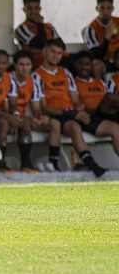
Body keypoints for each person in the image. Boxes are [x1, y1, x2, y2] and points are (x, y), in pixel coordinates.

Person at [32, 38, 106, 177]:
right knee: (65, 124)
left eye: (59, 53)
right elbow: (44, 107)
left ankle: (91, 165)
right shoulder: (37, 75)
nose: (55, 56)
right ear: (44, 52)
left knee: (74, 127)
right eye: (52, 52)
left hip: (69, 115)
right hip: (53, 115)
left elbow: (75, 99)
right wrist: (71, 113)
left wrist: (79, 108)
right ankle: (54, 163)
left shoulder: (65, 73)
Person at [71, 51, 119, 162]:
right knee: (111, 98)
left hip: (105, 113)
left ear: (91, 66)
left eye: (87, 64)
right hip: (91, 115)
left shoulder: (99, 82)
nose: (84, 67)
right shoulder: (74, 82)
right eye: (80, 64)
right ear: (75, 65)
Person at [9, 50, 51, 173]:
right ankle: (25, 163)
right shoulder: (8, 79)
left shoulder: (33, 81)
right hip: (10, 116)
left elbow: (36, 108)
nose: (25, 68)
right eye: (21, 64)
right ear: (15, 65)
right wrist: (22, 117)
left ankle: (53, 163)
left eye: (28, 64)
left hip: (22, 117)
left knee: (54, 124)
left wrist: (40, 116)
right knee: (26, 123)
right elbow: (10, 106)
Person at [14, 0, 61, 68]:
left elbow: (61, 45)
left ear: (40, 9)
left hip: (56, 64)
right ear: (24, 10)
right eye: (29, 8)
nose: (33, 11)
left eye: (36, 8)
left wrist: (39, 49)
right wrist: (40, 24)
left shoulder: (48, 26)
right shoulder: (21, 28)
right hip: (36, 65)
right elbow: (40, 43)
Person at [81, 0, 119, 74]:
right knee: (96, 65)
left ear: (112, 9)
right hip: (105, 62)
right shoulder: (91, 29)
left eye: (108, 8)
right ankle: (99, 85)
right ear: (97, 8)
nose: (105, 12)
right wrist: (107, 37)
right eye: (102, 8)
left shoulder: (117, 22)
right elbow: (97, 55)